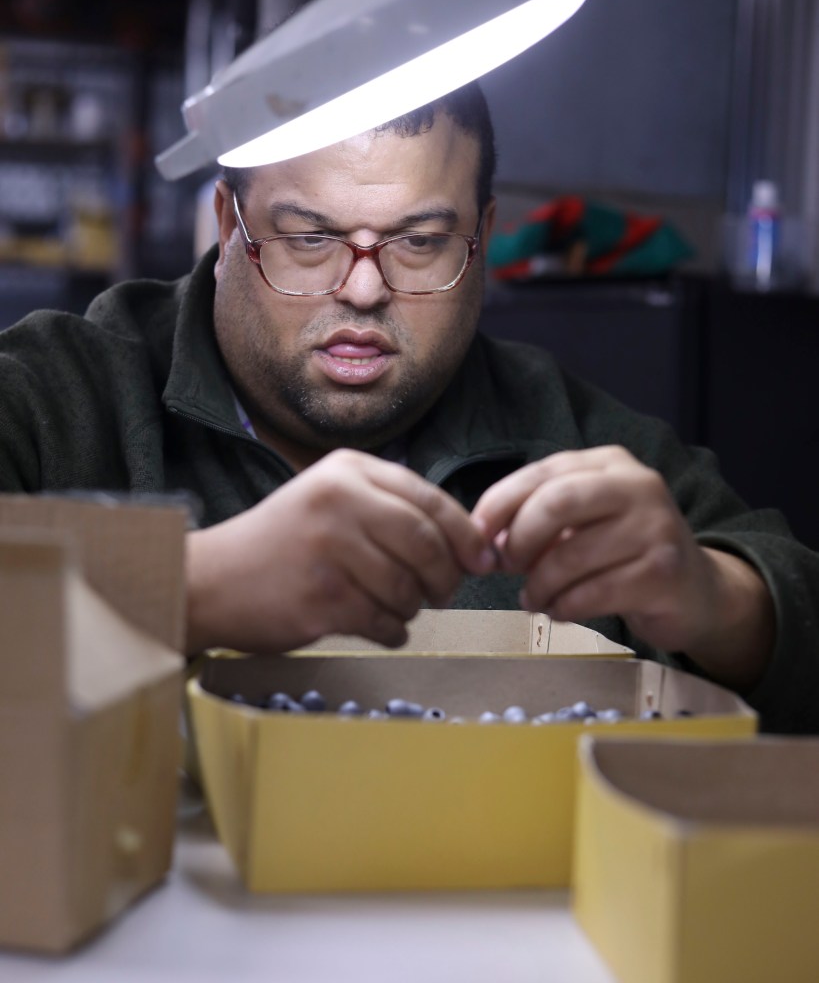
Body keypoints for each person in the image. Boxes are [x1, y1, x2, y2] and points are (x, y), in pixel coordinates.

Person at [0, 82, 817, 733]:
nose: (363, 289)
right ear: (227, 223)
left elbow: (792, 606)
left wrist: (716, 602)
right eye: (309, 238)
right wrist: (195, 588)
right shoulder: (62, 389)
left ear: (485, 235)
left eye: (420, 243)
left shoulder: (555, 425)